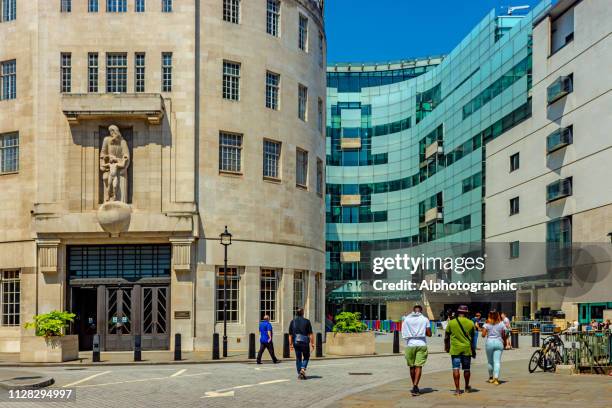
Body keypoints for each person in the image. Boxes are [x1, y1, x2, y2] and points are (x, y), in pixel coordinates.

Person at [401, 304, 432, 396]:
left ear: (413, 311)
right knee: (419, 366)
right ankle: (415, 385)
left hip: (410, 344)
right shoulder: (425, 319)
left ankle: (414, 385)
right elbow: (429, 333)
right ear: (421, 311)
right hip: (421, 344)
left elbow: (403, 331)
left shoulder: (406, 319)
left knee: (412, 366)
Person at [445, 305, 475, 396]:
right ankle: (466, 387)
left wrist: (447, 346)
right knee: (466, 369)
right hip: (466, 349)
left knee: (455, 368)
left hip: (455, 349)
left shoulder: (451, 323)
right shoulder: (471, 323)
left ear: (458, 312)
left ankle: (457, 390)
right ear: (466, 313)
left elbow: (446, 336)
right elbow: (472, 338)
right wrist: (473, 350)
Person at [288, 308, 314, 380]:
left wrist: (290, 345)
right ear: (302, 313)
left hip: (296, 342)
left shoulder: (292, 322)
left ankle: (300, 373)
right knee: (306, 356)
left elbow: (290, 335)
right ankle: (303, 369)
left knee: (298, 357)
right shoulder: (307, 321)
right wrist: (312, 343)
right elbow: (310, 334)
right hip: (305, 342)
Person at [482, 311, 507, 385]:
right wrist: (505, 341)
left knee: (490, 361)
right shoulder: (501, 323)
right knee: (497, 361)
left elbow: (483, 335)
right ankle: (496, 379)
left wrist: (485, 330)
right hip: (499, 342)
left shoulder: (486, 324)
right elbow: (506, 332)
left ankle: (490, 378)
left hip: (489, 342)